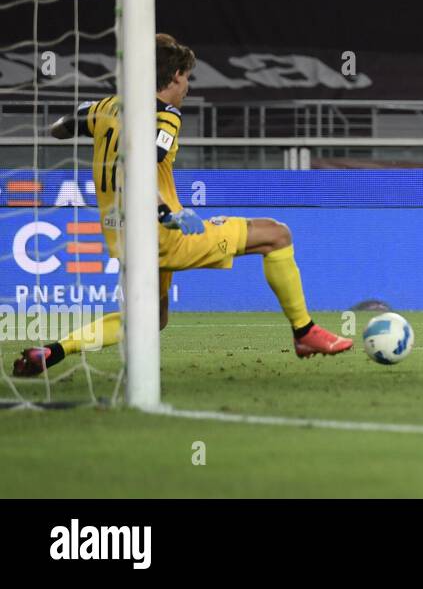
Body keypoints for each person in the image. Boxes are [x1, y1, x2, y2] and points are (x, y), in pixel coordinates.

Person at [13, 34, 352, 377]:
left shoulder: (105, 107)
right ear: (174, 76)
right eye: (187, 77)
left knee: (149, 319)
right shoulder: (166, 116)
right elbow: (140, 168)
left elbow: (61, 127)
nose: (188, 86)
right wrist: (166, 214)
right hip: (163, 235)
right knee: (277, 235)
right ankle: (304, 332)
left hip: (122, 238)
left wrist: (85, 123)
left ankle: (52, 351)